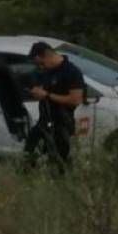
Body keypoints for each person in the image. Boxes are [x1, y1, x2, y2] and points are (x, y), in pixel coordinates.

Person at [24, 41, 85, 170]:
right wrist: (36, 91)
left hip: (62, 123)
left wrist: (47, 95)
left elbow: (75, 99)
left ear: (47, 55)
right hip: (44, 121)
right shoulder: (46, 70)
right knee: (28, 154)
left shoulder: (72, 72)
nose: (40, 66)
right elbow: (39, 84)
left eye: (41, 62)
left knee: (58, 161)